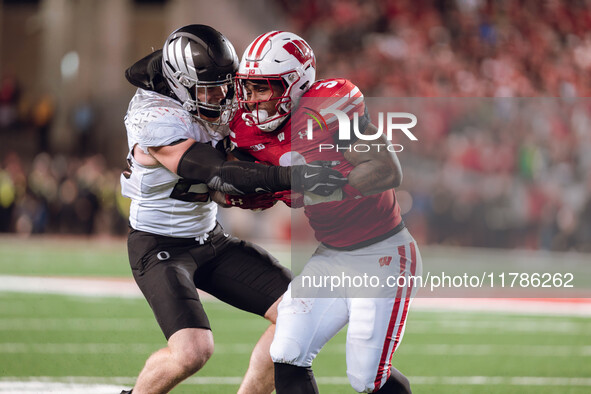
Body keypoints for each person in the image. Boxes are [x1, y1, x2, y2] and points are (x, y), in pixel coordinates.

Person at [119, 25, 347, 394]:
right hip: (158, 244)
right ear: (179, 84)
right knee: (192, 351)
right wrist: (296, 176)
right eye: (208, 89)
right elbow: (217, 172)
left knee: (300, 313)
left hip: (210, 238)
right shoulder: (153, 114)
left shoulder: (219, 94)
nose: (221, 96)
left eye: (226, 85)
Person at [229, 31, 423, 393]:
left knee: (366, 378)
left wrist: (323, 187)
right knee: (286, 350)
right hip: (331, 256)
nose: (252, 101)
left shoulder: (329, 107)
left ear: (295, 83)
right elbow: (236, 184)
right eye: (248, 88)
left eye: (263, 88)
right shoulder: (244, 127)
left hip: (381, 253)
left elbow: (387, 170)